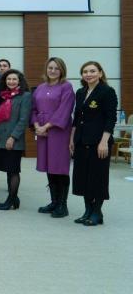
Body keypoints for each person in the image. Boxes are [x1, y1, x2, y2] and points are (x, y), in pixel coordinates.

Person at [70, 61, 117, 226]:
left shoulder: (107, 92)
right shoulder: (80, 92)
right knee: (83, 178)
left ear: (100, 73)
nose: (88, 74)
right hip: (81, 141)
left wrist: (104, 141)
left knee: (97, 178)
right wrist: (72, 139)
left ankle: (97, 212)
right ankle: (87, 210)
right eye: (85, 71)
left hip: (99, 142)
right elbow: (76, 118)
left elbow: (111, 119)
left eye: (92, 71)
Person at [31, 57, 75, 217]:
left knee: (60, 167)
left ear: (61, 70)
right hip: (42, 131)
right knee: (49, 166)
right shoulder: (40, 87)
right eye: (50, 67)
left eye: (56, 68)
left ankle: (63, 205)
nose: (53, 71)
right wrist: (36, 126)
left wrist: (46, 126)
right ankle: (54, 201)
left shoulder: (66, 87)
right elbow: (33, 109)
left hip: (58, 130)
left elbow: (65, 110)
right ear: (46, 69)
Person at [0, 69, 31, 210]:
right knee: (8, 170)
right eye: (8, 79)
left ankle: (11, 199)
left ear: (20, 81)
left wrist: (13, 137)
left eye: (14, 79)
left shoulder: (25, 96)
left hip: (14, 139)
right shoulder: (3, 96)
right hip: (0, 139)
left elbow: (23, 119)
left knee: (13, 170)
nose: (11, 82)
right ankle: (14, 199)